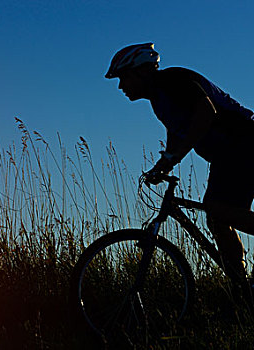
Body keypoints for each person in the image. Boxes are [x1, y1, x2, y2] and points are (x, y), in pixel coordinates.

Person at [105, 43, 254, 281]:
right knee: (218, 218)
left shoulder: (173, 80)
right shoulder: (159, 99)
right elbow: (177, 133)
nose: (121, 86)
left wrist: (175, 156)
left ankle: (240, 284)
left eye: (123, 78)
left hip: (243, 144)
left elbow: (207, 111)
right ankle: (242, 288)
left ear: (141, 71)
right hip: (229, 153)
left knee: (218, 210)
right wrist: (163, 164)